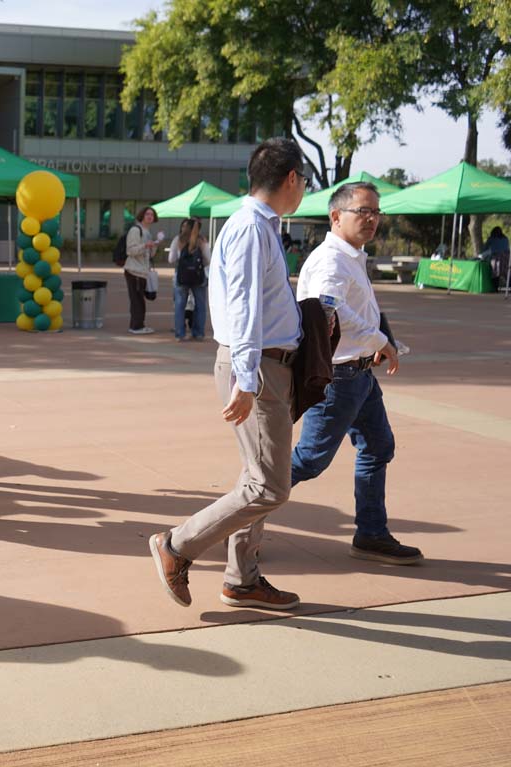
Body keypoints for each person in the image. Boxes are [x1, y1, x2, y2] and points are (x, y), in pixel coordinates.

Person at [148, 138, 307, 611]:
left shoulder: (258, 226)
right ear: (292, 179)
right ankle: (177, 545)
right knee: (269, 487)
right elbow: (243, 306)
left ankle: (242, 579)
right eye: (303, 181)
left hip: (264, 366)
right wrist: (247, 377)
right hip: (257, 368)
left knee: (256, 476)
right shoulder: (251, 228)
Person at [290, 182, 423, 565]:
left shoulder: (352, 257)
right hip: (338, 378)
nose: (372, 219)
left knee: (378, 447)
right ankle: (237, 514)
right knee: (309, 460)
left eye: (376, 212)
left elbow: (358, 310)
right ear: (336, 216)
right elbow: (328, 308)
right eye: (363, 211)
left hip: (360, 376)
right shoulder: (331, 260)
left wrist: (380, 341)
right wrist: (378, 339)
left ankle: (371, 534)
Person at [167, 217, 210, 341]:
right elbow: (208, 259)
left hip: (181, 276)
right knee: (200, 305)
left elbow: (171, 259)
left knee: (179, 306)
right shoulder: (202, 240)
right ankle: (198, 333)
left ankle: (180, 334)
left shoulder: (178, 240)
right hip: (198, 276)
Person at [124, 206, 158, 334]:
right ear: (142, 216)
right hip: (134, 270)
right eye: (147, 214)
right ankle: (136, 326)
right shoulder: (135, 230)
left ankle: (138, 325)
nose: (150, 216)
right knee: (137, 300)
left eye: (152, 215)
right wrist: (145, 245)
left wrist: (154, 246)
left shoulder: (147, 232)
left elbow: (150, 255)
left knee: (139, 299)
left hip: (142, 271)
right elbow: (130, 250)